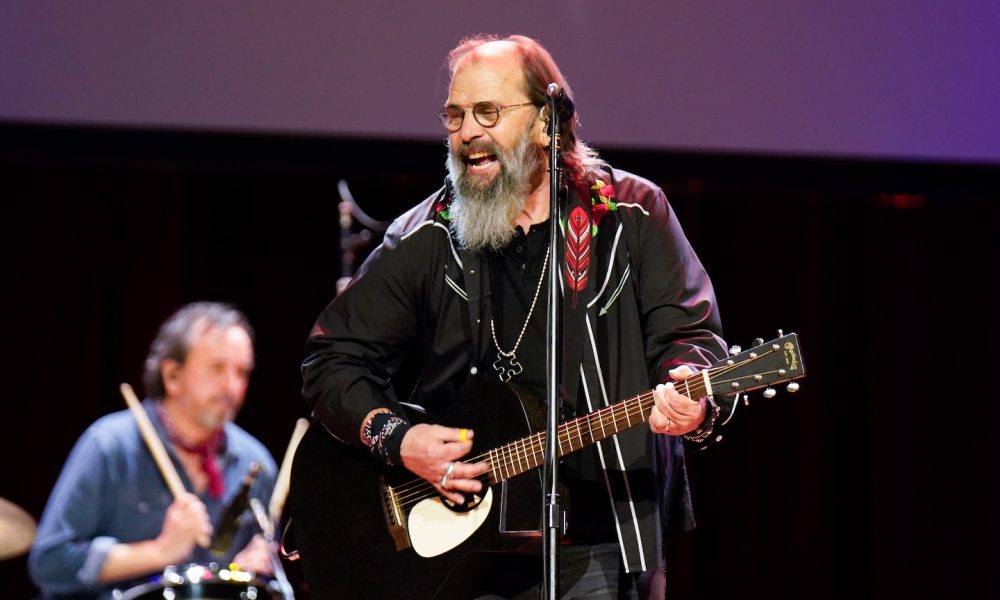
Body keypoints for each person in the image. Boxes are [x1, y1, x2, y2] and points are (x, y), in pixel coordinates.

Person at [297, 34, 729, 599]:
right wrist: (399, 440)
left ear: (548, 124)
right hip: (457, 556)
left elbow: (692, 342)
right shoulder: (427, 234)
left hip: (596, 544)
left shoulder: (631, 215)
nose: (467, 133)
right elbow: (332, 359)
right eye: (455, 116)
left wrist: (690, 400)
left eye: (488, 112)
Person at [29, 302, 278, 599]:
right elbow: (49, 562)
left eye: (242, 373)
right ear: (172, 375)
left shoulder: (255, 462)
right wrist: (160, 551)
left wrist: (240, 574)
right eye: (217, 368)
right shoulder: (109, 445)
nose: (231, 386)